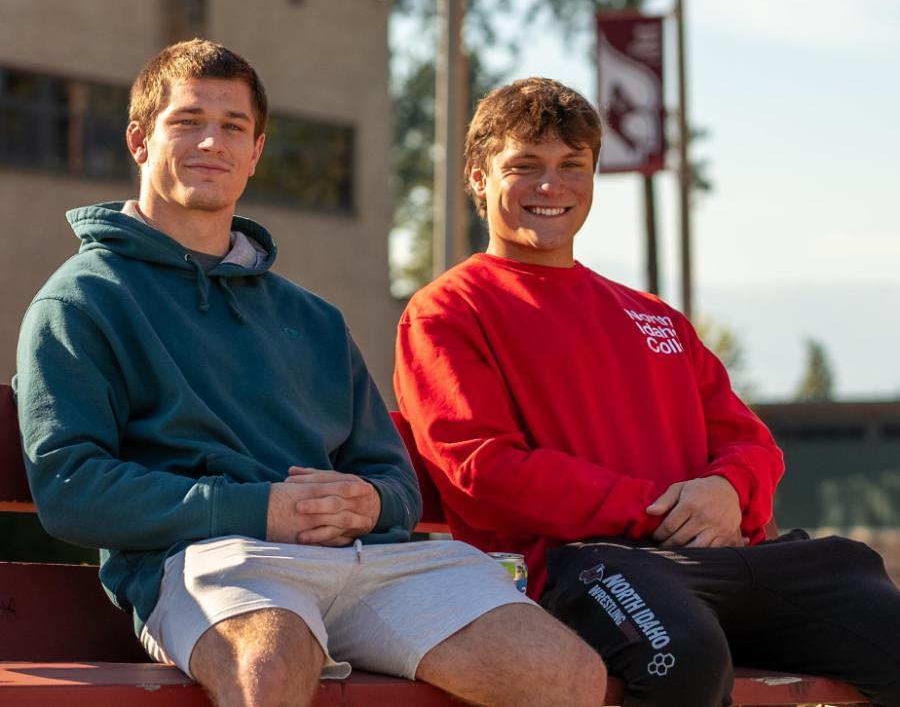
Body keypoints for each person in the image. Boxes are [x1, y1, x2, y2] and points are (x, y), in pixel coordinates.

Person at [14, 43, 607, 707]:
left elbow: (396, 485)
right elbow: (71, 489)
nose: (212, 141)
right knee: (271, 665)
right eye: (187, 121)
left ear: (256, 150)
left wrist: (370, 503)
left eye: (234, 126)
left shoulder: (313, 318)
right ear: (139, 141)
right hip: (211, 561)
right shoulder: (83, 301)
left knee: (563, 672)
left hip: (364, 564)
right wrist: (256, 508)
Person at [395, 76, 900, 707]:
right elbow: (485, 470)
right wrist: (660, 510)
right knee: (680, 657)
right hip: (578, 567)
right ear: (478, 177)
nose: (551, 187)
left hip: (716, 562)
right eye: (525, 166)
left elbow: (751, 443)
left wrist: (727, 490)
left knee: (872, 604)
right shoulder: (450, 310)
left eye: (572, 166)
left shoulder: (651, 315)